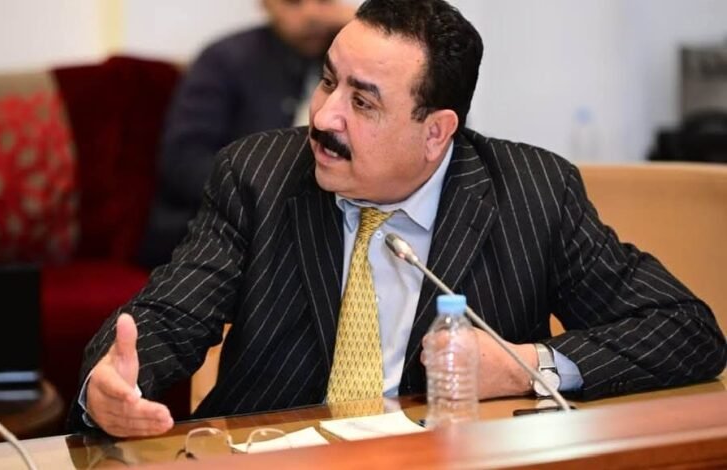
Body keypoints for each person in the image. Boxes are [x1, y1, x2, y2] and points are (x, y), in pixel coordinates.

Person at [70, 0, 727, 437]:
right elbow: (168, 316)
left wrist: (529, 366)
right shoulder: (258, 175)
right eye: (329, 81)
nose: (324, 117)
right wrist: (111, 381)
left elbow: (685, 330)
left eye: (363, 102)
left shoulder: (533, 192)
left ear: (436, 132)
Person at [139, 0, 356, 267]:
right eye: (293, 2)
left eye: (324, 1)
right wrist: (266, 197)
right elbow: (183, 162)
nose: (312, 14)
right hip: (218, 227)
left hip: (313, 227)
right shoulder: (224, 59)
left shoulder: (346, 56)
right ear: (266, 4)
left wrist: (359, 24)